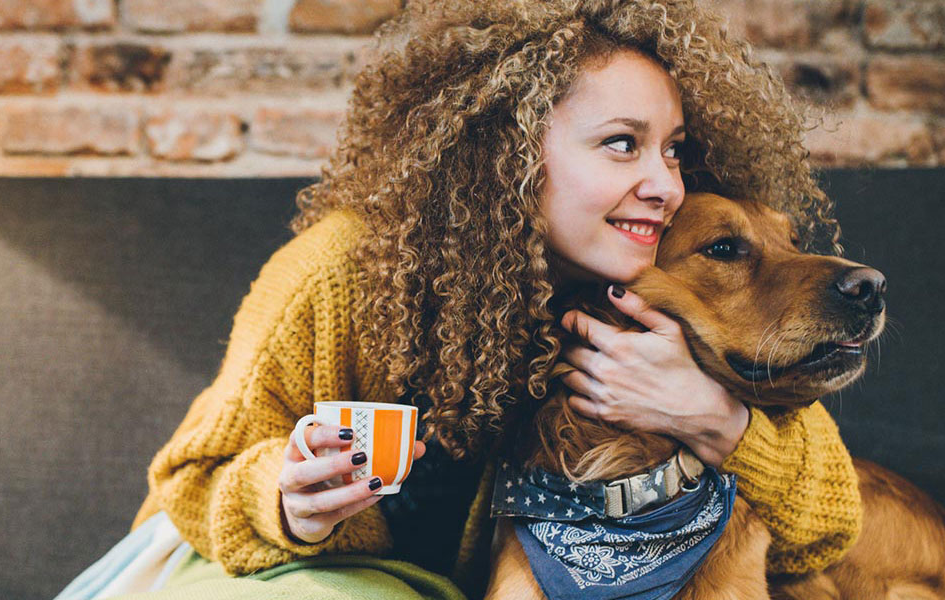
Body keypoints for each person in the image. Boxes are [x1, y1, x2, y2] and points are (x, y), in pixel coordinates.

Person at [62, 1, 861, 598]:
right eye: (622, 143)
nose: (664, 184)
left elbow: (827, 526)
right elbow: (191, 475)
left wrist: (715, 420)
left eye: (674, 150)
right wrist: (286, 497)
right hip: (267, 571)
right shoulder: (341, 268)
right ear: (505, 151)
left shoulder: (650, 291)